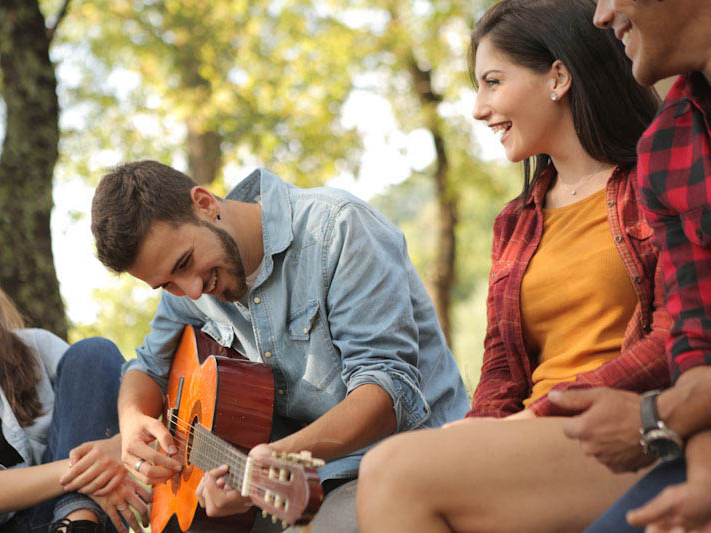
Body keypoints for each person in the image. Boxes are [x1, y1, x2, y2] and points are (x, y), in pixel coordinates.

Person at [355, 1, 672, 531]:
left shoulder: (653, 184)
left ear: (559, 77)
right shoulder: (516, 222)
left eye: (493, 82)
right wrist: (481, 430)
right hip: (535, 438)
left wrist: (534, 417)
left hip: (623, 432)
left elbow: (670, 342)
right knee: (415, 459)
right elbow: (501, 369)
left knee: (391, 471)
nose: (479, 109)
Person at [89, 158, 470, 531]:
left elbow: (386, 392)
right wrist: (132, 419)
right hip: (285, 491)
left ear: (204, 204)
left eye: (185, 262)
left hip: (393, 464)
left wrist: (274, 460)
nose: (190, 290)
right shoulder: (189, 287)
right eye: (167, 284)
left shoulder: (338, 227)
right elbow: (147, 367)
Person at [558, 1, 711, 531]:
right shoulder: (668, 144)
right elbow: (698, 345)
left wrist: (657, 416)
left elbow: (664, 346)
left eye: (493, 81)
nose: (600, 15)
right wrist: (704, 484)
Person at [0, 224, 150, 533]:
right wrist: (94, 464)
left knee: (94, 352)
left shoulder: (35, 348)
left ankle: (79, 523)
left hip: (59, 517)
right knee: (98, 474)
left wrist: (120, 444)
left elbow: (100, 396)